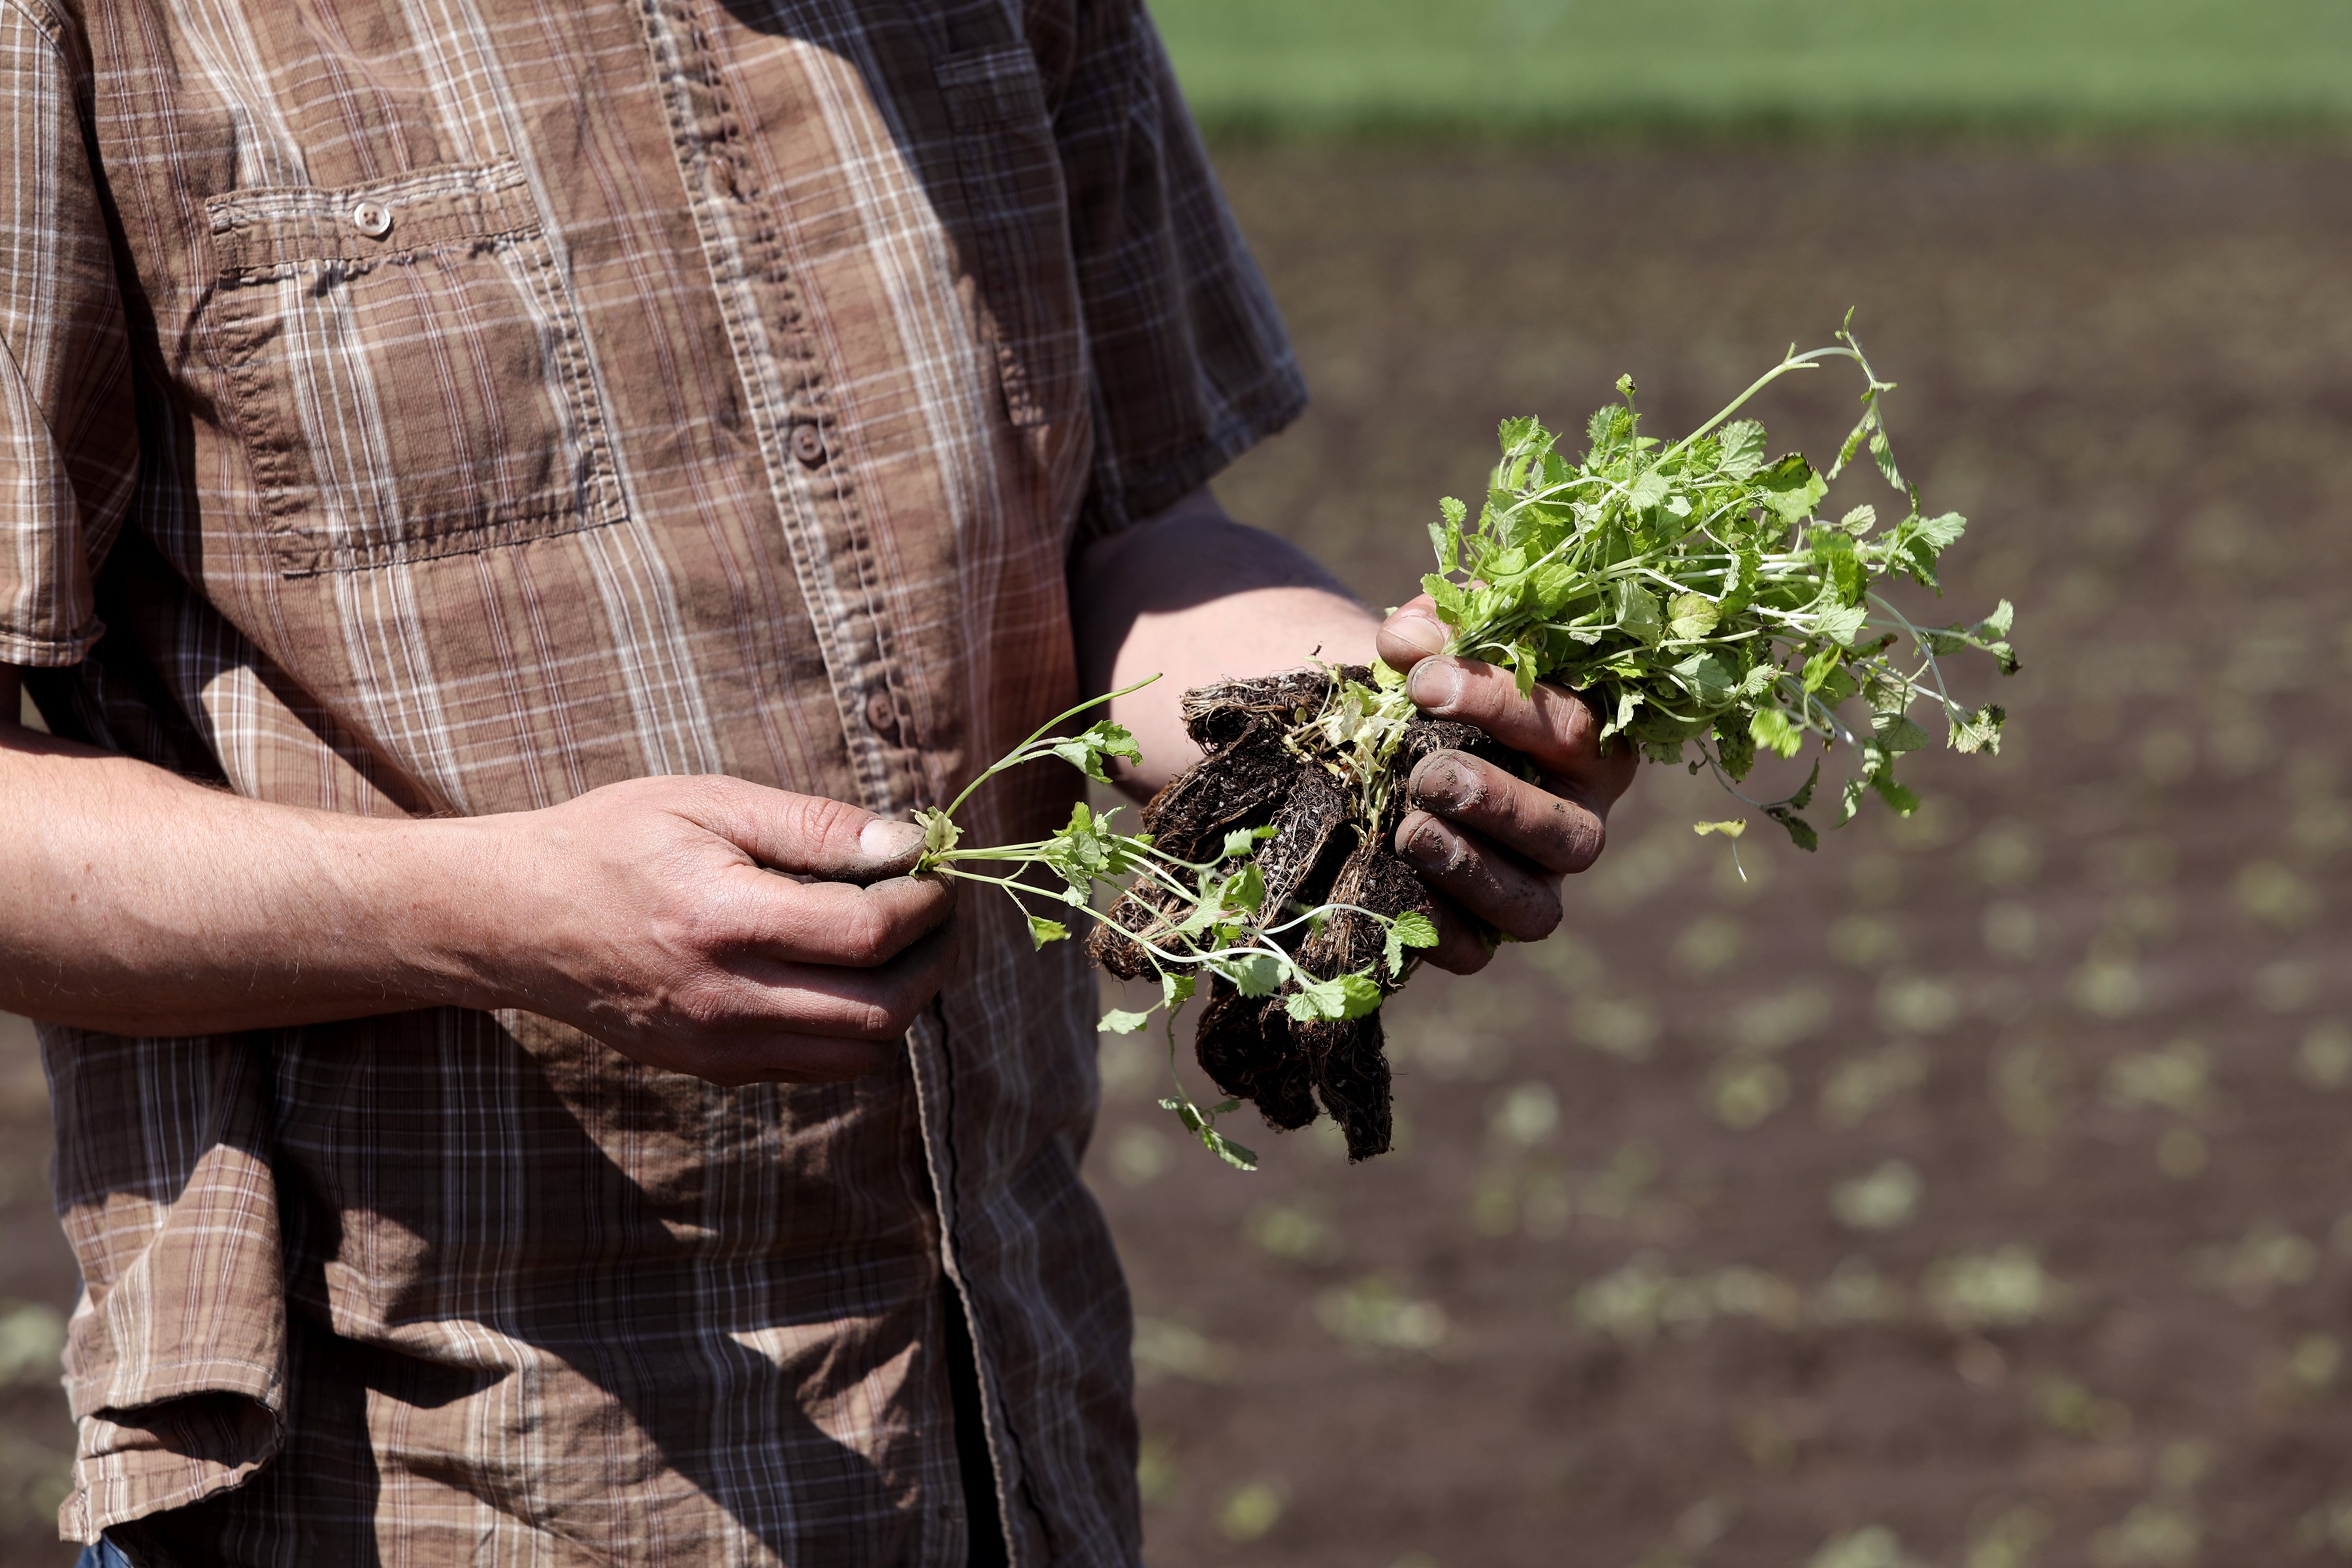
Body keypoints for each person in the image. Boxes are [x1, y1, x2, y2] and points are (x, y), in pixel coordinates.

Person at [0, 0, 1635, 1561]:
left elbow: (1134, 525)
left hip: (1009, 1425)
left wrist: (1334, 727)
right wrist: (488, 915)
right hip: (439, 1477)